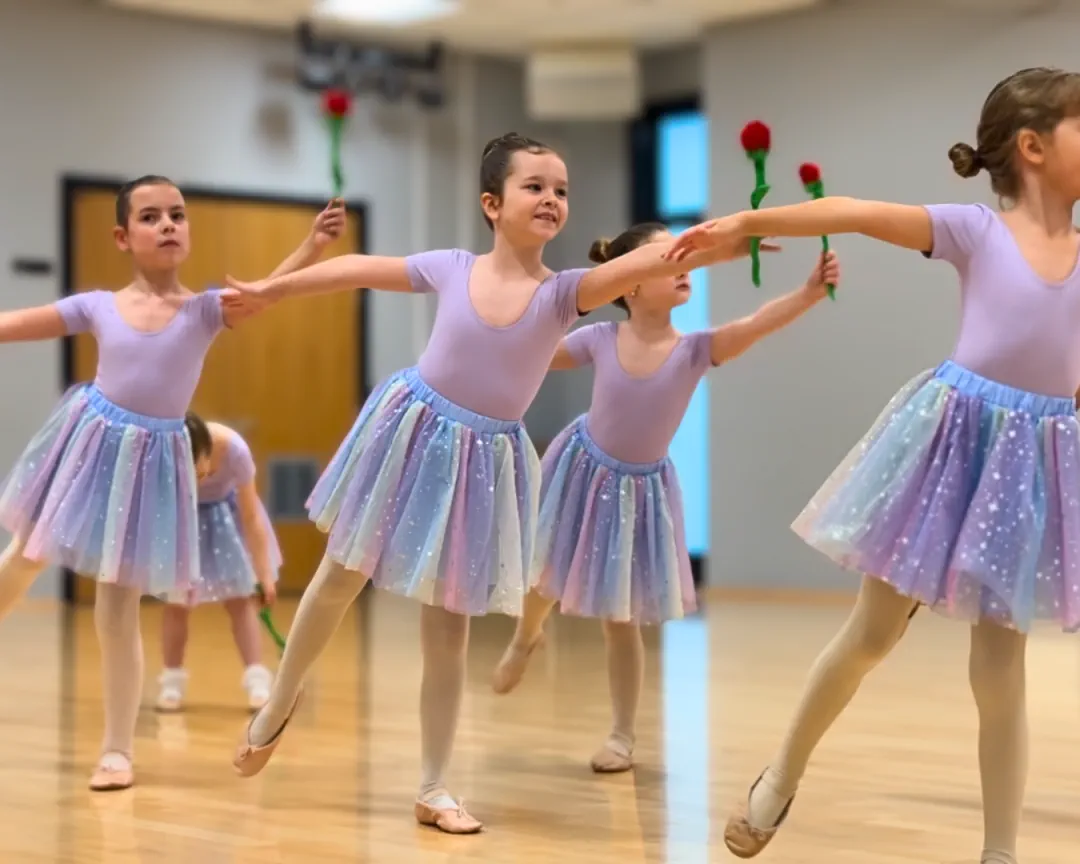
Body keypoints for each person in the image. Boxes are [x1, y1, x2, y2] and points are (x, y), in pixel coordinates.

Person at [222, 133, 767, 834]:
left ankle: (435, 784)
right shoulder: (452, 268)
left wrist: (739, 233)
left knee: (448, 624)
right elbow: (358, 267)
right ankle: (279, 702)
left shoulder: (568, 294)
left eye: (561, 190)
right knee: (340, 573)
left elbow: (665, 254)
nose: (551, 199)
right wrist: (275, 288)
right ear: (492, 203)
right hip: (412, 429)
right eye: (535, 186)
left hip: (484, 462)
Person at [664, 67, 1080, 864]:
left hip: (1029, 463)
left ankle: (1001, 852)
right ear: (1031, 147)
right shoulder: (973, 230)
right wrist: (745, 225)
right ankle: (781, 773)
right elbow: (850, 213)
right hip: (950, 447)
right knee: (870, 635)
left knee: (1001, 668)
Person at [0, 175, 343, 791]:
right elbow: (19, 321)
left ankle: (116, 751)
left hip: (152, 465)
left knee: (117, 609)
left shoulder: (205, 309)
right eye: (151, 216)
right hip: (88, 446)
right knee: (23, 559)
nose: (166, 225)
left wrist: (312, 246)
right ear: (122, 236)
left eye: (177, 215)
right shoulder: (98, 305)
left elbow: (267, 293)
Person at [491, 223, 839, 773]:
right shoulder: (600, 339)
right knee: (544, 574)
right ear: (630, 284)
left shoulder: (696, 350)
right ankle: (527, 635)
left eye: (684, 257)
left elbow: (755, 325)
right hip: (583, 469)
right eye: (665, 257)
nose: (682, 265)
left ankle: (622, 736)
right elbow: (534, 353)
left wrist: (808, 293)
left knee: (620, 617)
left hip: (639, 493)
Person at [156, 414, 282, 714]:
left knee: (240, 600)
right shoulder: (167, 450)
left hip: (225, 520)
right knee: (177, 603)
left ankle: (257, 682)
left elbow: (251, 518)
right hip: (181, 520)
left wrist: (264, 575)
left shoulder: (235, 450)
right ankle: (171, 682)